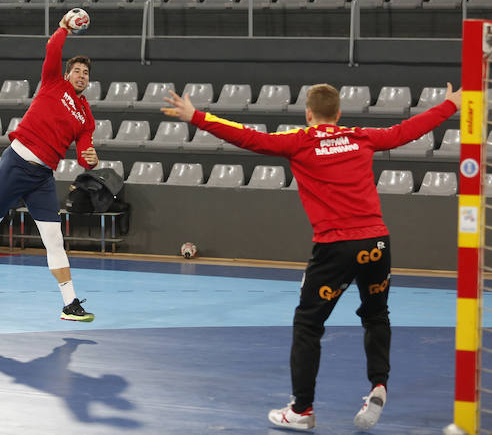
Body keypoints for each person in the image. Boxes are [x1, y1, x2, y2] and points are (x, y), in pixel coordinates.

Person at [160, 82, 462, 431]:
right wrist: (449, 106)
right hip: (377, 242)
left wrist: (196, 116)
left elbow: (248, 137)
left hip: (336, 246)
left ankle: (302, 410)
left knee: (308, 324)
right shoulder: (360, 136)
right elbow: (406, 131)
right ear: (338, 114)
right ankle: (378, 384)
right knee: (376, 315)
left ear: (308, 114)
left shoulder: (299, 141)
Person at [0, 12, 98, 322]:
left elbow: (84, 153)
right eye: (77, 71)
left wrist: (90, 159)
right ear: (67, 74)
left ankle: (70, 303)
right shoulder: (53, 83)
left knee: (54, 239)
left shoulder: (86, 117)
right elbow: (52, 49)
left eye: (86, 73)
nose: (81, 76)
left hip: (42, 176)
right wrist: (63, 28)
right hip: (16, 164)